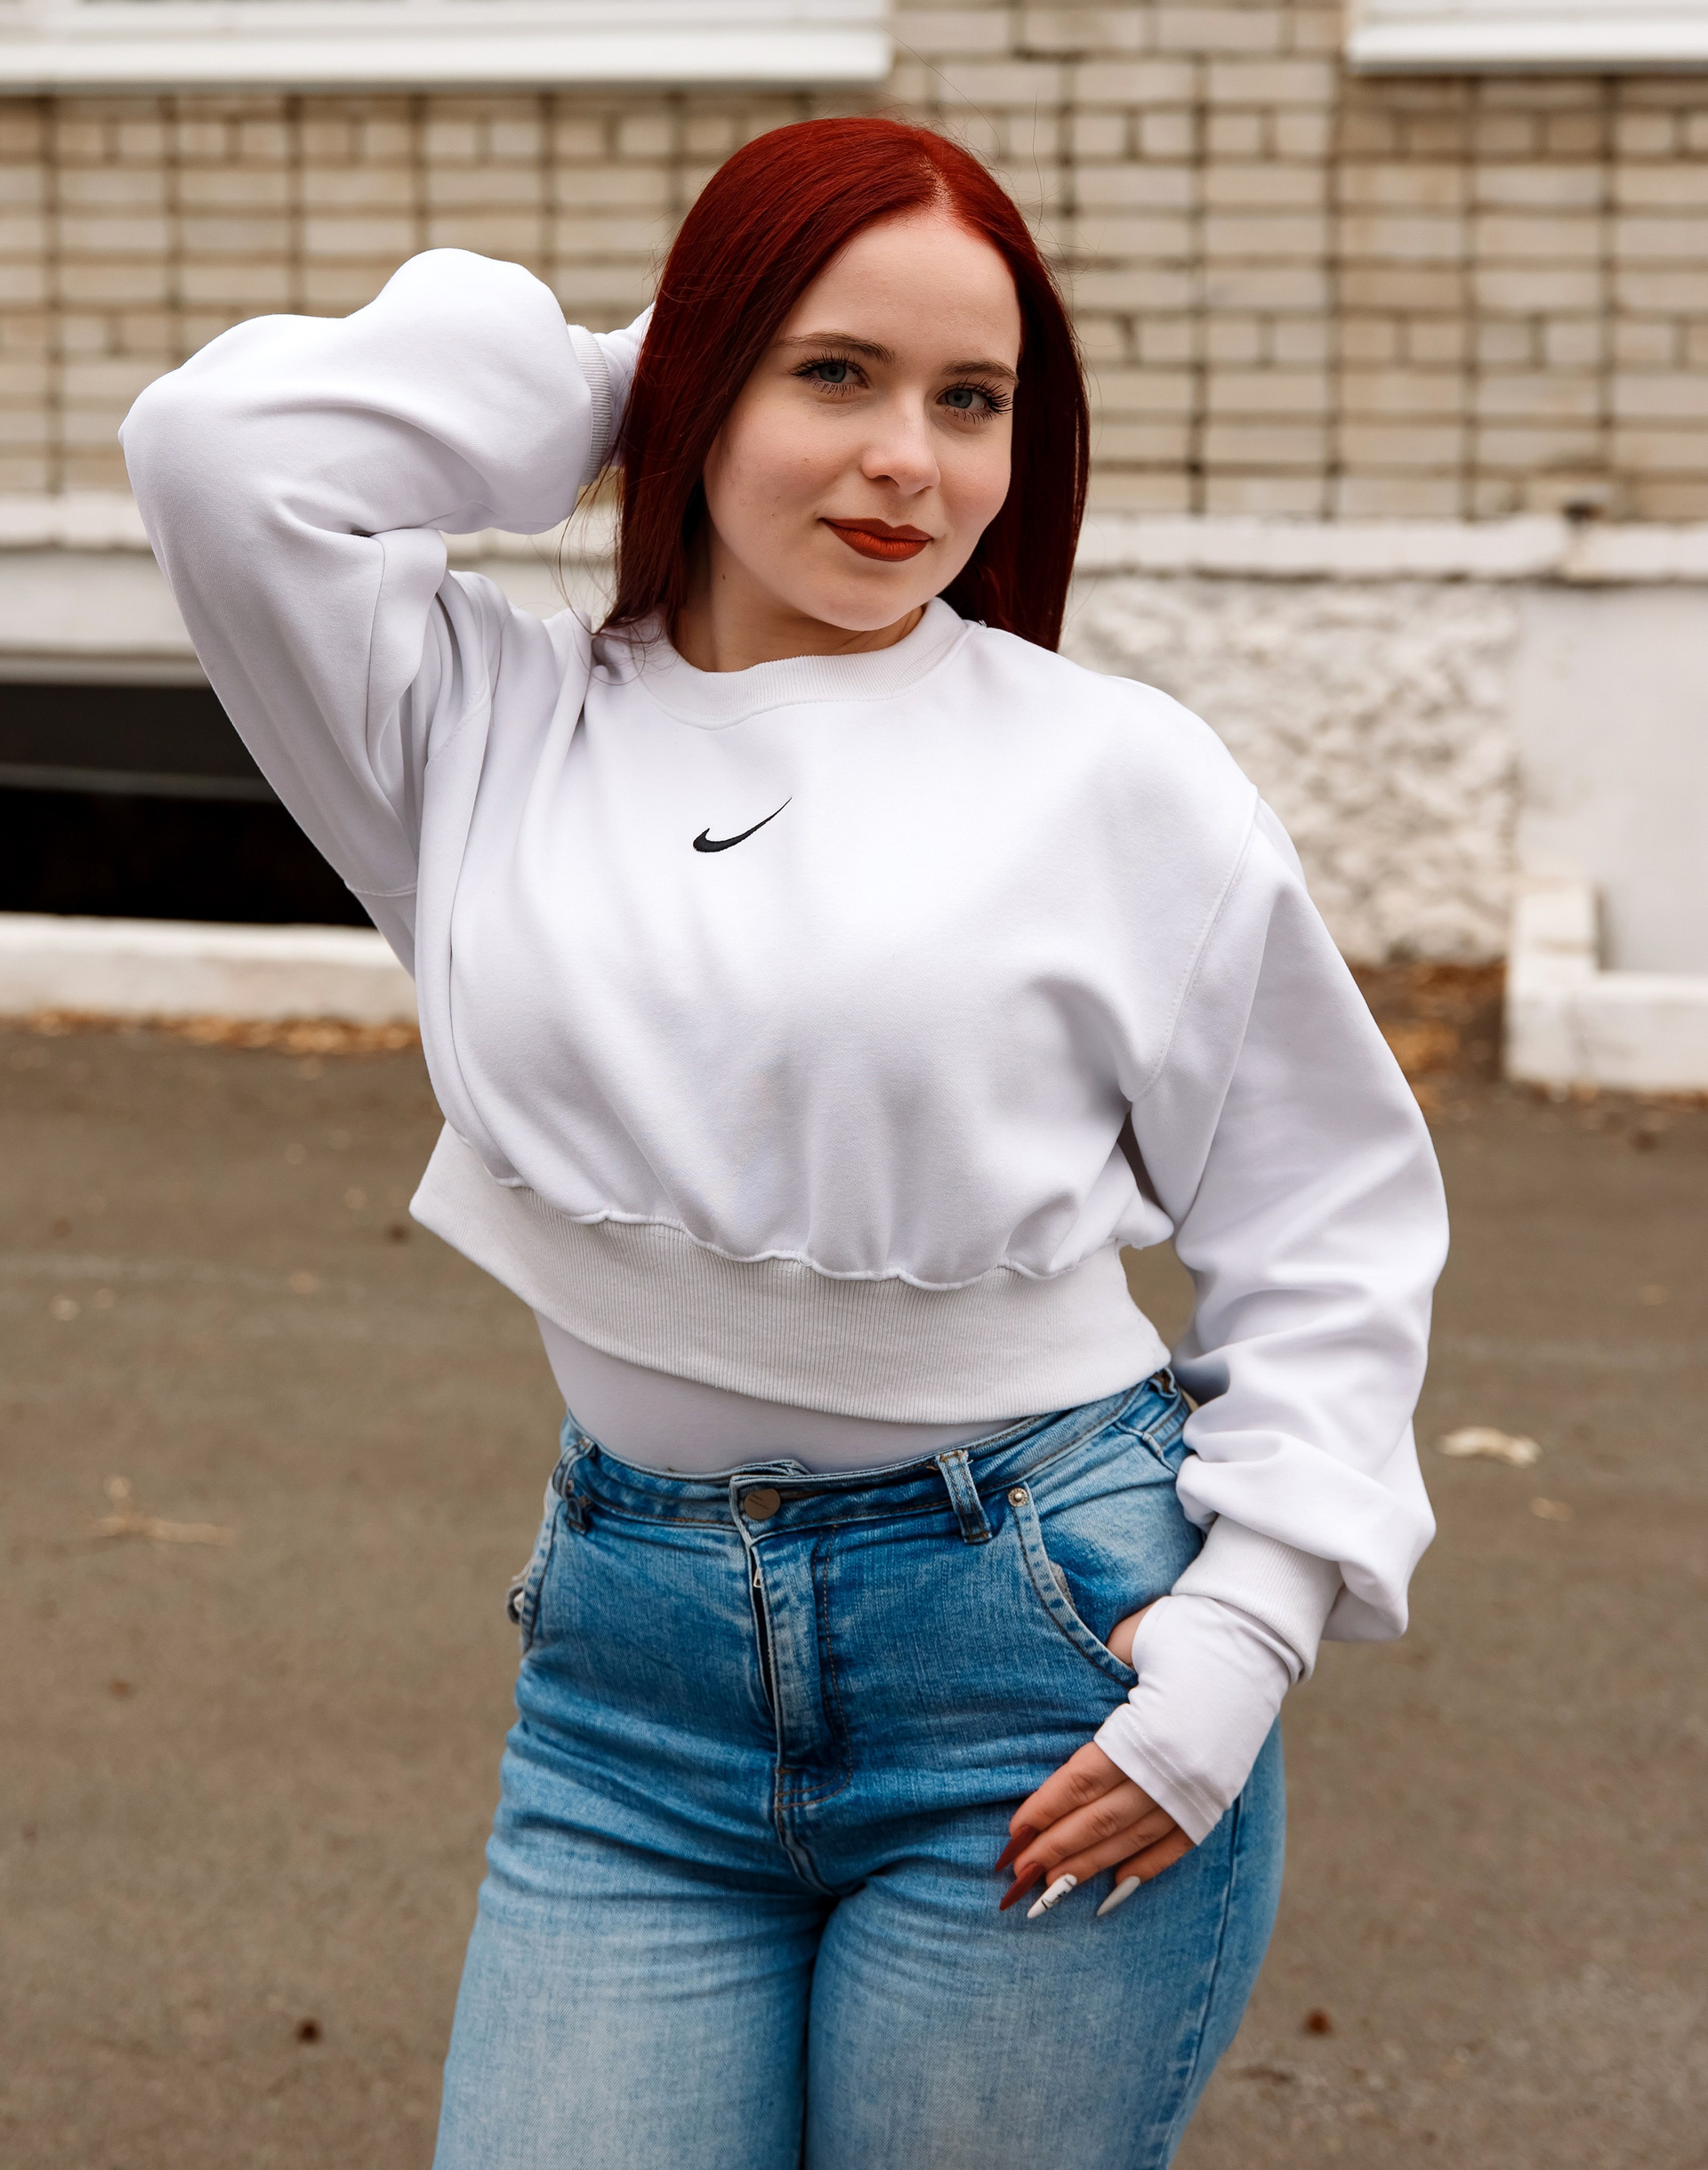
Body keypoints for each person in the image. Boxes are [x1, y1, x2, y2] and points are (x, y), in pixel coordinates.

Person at [124, 117, 1446, 2170]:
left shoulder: (1113, 775)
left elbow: (1329, 1213)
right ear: (702, 374)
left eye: (971, 400)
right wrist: (622, 385)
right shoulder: (481, 729)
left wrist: (1247, 1629)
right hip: (628, 1699)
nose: (909, 459)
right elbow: (221, 451)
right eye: (835, 372)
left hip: (1043, 1659)